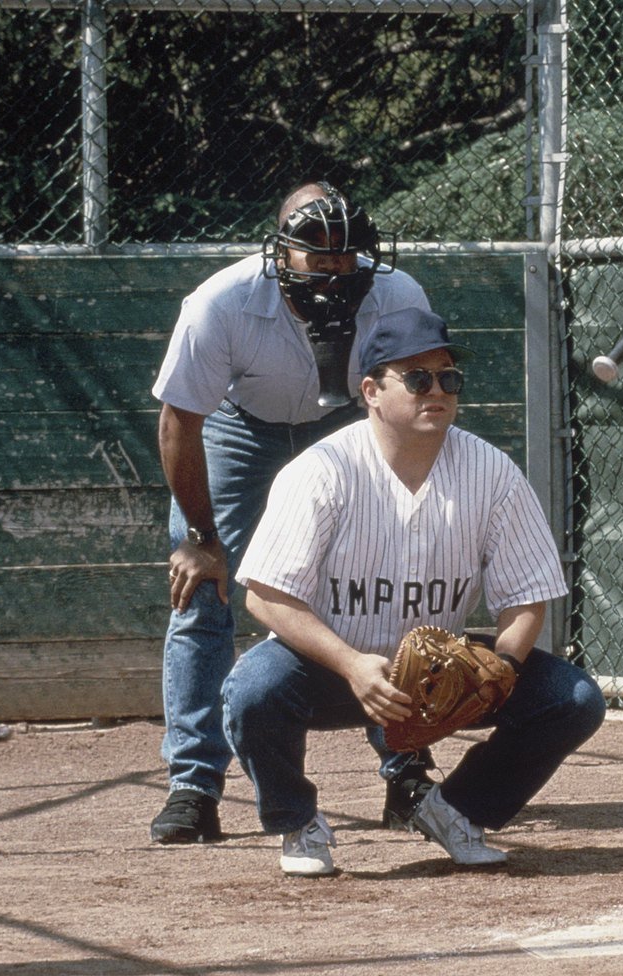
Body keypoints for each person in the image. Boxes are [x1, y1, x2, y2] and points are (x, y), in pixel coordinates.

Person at [220, 306, 606, 876]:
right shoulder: (323, 470)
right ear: (371, 390)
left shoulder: (491, 471)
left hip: (435, 672)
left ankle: (455, 809)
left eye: (448, 378)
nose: (438, 390)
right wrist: (353, 666)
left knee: (572, 699)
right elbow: (266, 596)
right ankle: (297, 822)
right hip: (331, 665)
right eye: (418, 377)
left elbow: (527, 595)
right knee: (252, 690)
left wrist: (498, 668)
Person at [150, 181, 438, 844]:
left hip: (344, 423)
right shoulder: (221, 302)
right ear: (281, 250)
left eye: (348, 255)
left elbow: (417, 402)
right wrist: (200, 537)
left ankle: (407, 770)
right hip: (238, 424)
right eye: (317, 252)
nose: (335, 268)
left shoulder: (396, 294)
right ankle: (194, 787)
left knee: (380, 590)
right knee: (202, 589)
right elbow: (179, 420)